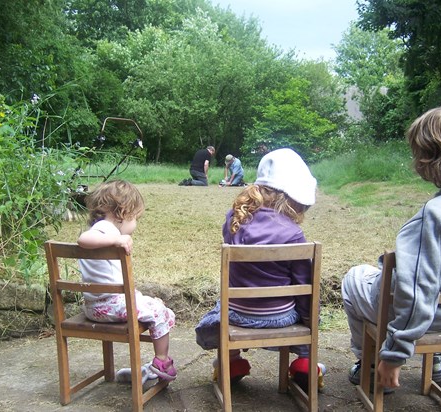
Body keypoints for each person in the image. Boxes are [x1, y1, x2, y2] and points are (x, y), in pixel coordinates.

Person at [342, 104, 441, 391]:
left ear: (429, 156)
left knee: (354, 278)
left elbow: (417, 288)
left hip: (413, 313)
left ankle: (369, 365)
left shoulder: (438, 214)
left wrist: (395, 353)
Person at [195, 148, 326, 389]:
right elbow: (303, 287)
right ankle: (306, 363)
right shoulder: (294, 234)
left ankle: (232, 361)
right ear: (293, 199)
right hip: (280, 318)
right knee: (307, 307)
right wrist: (309, 321)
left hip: (237, 316)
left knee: (220, 305)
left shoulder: (233, 219)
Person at [77, 179, 177, 381]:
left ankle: (156, 363)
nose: (135, 224)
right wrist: (116, 239)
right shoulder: (106, 229)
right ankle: (161, 361)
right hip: (109, 306)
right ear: (122, 213)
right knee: (159, 311)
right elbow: (83, 240)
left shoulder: (103, 230)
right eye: (135, 218)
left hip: (94, 307)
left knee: (156, 306)